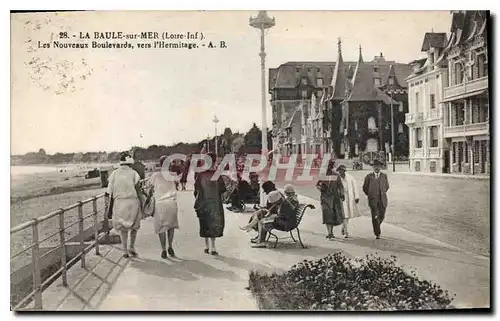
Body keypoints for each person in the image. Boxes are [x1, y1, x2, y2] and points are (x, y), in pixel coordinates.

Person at [107, 152, 143, 258]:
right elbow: (138, 190)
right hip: (132, 202)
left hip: (119, 203)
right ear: (130, 163)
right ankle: (132, 247)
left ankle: (124, 251)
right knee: (134, 226)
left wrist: (109, 208)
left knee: (123, 228)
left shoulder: (114, 174)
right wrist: (142, 203)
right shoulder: (134, 173)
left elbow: (110, 193)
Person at [194, 153, 226, 255]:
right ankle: (213, 246)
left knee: (205, 223)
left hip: (204, 201)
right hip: (215, 202)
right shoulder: (217, 173)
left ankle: (207, 245)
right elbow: (222, 190)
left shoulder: (201, 174)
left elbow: (196, 189)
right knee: (213, 224)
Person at [148, 156, 180, 258]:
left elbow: (150, 190)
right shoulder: (173, 175)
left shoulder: (155, 175)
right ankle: (170, 246)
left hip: (160, 204)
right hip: (171, 203)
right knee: (170, 226)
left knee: (161, 227)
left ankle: (163, 249)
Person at [316, 160, 344, 239]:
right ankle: (329, 233)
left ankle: (331, 232)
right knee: (327, 216)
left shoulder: (336, 175)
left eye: (329, 166)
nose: (327, 168)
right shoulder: (322, 175)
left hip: (334, 199)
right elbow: (317, 185)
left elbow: (340, 186)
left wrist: (342, 194)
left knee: (332, 216)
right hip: (325, 199)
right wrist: (321, 188)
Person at [362, 159, 389, 239]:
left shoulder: (384, 176)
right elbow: (365, 188)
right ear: (372, 167)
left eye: (378, 166)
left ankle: (377, 225)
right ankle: (377, 233)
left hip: (382, 200)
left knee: (382, 216)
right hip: (373, 200)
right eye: (375, 166)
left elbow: (387, 186)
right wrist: (371, 194)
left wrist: (382, 193)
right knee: (375, 216)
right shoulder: (368, 177)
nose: (376, 168)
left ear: (380, 167)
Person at [336, 164, 361, 238]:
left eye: (341, 171)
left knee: (348, 214)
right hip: (341, 198)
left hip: (350, 197)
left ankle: (344, 227)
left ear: (344, 171)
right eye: (339, 171)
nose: (340, 173)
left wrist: (356, 197)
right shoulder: (337, 178)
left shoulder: (350, 178)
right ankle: (346, 231)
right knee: (345, 214)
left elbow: (355, 187)